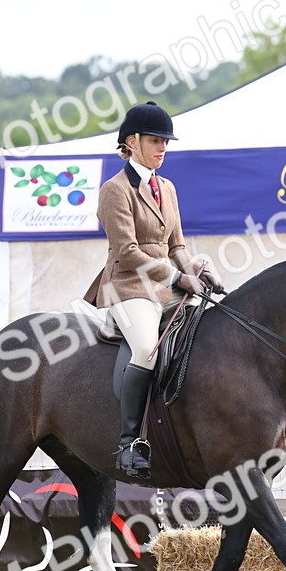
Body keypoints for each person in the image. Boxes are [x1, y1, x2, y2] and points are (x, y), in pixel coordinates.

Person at [83, 100, 224, 478]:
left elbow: (176, 246)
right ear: (131, 141)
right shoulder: (115, 190)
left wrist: (198, 269)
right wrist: (179, 279)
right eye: (156, 140)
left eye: (166, 141)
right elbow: (128, 252)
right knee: (147, 349)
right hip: (128, 286)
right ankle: (129, 445)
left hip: (165, 289)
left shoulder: (168, 188)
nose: (163, 147)